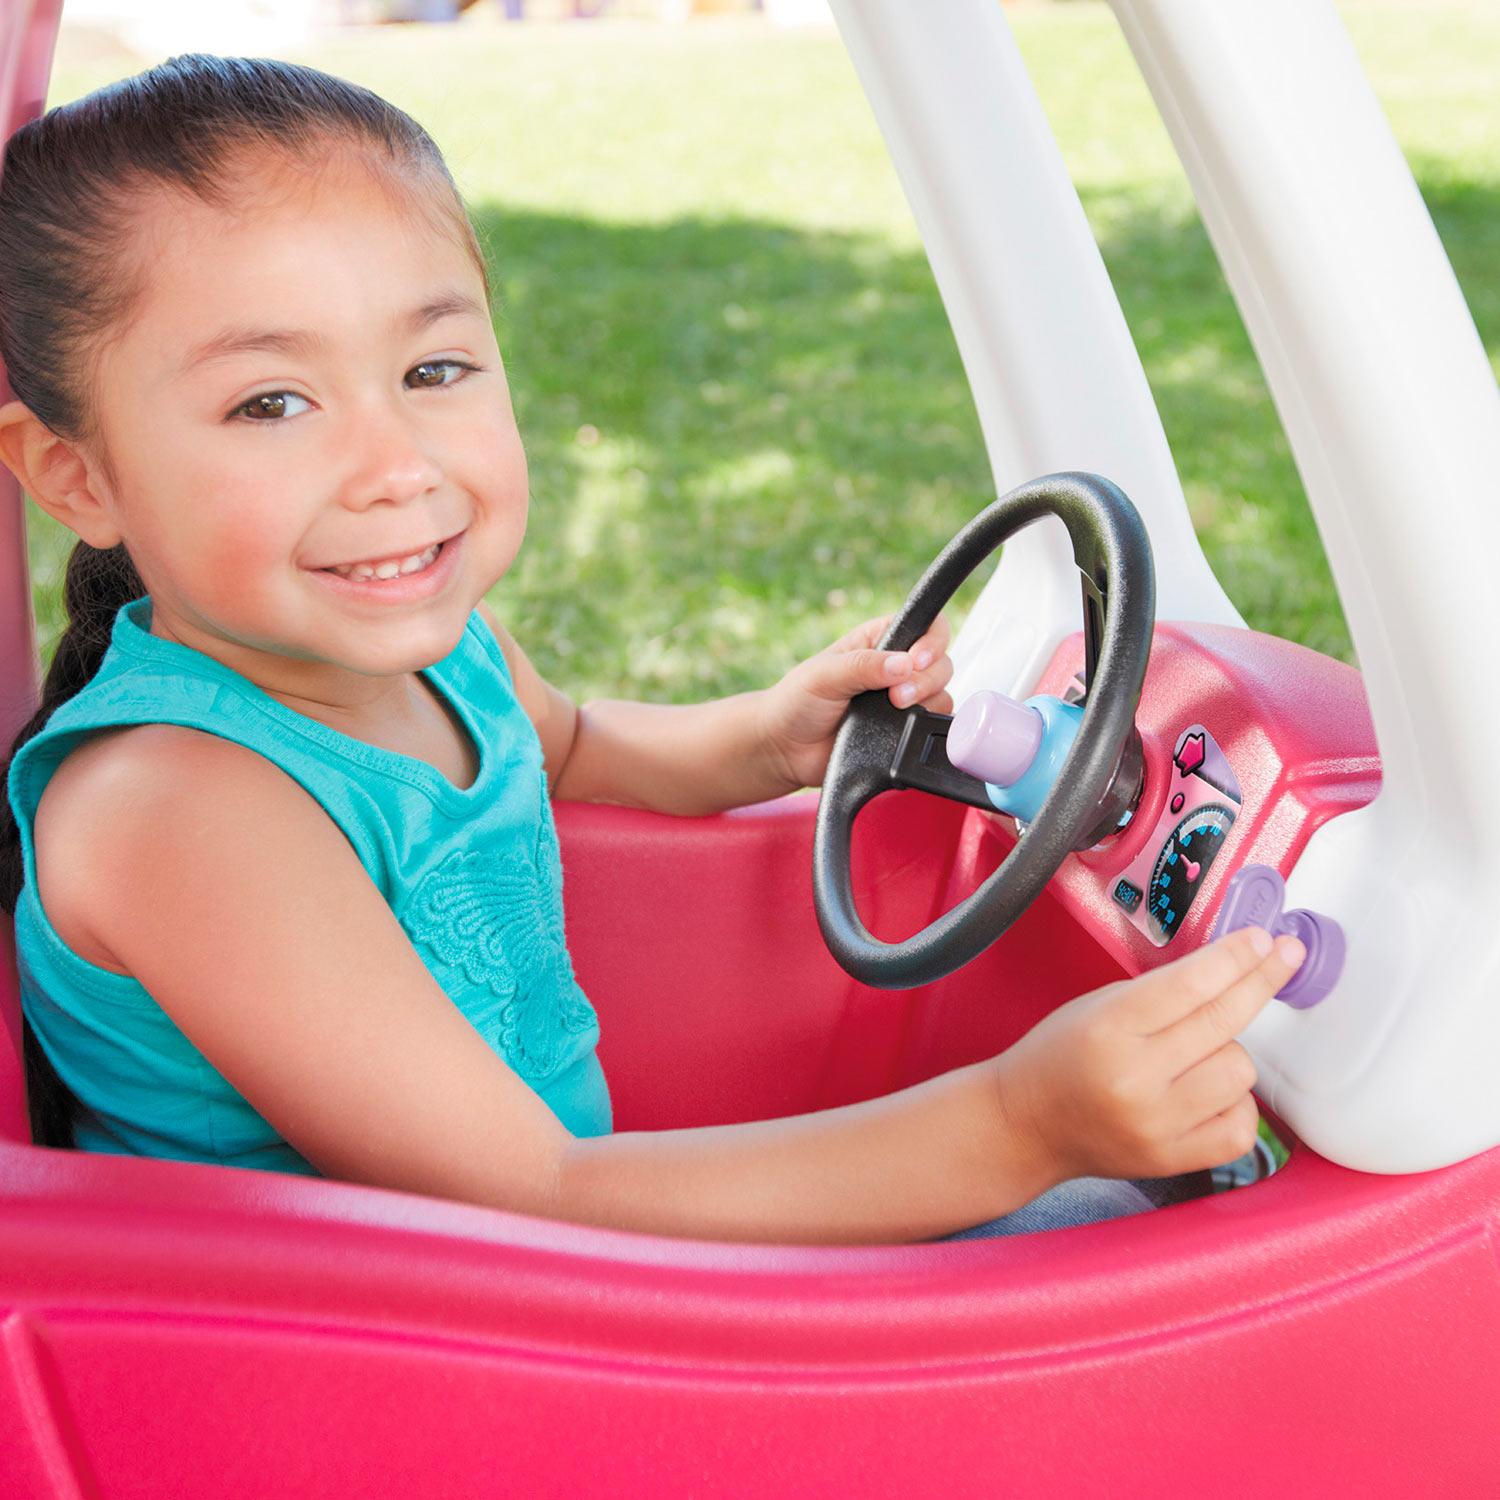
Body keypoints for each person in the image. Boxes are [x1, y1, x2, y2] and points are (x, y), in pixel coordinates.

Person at [0, 55, 1304, 1246]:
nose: (395, 466)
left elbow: (570, 745)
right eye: (271, 402)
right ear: (75, 475)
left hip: (558, 1246)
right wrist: (1019, 1125)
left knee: (1164, 1209)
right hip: (394, 1356)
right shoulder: (181, 807)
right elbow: (532, 1194)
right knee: (1122, 1232)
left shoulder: (427, 653)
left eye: (435, 368)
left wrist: (763, 735)